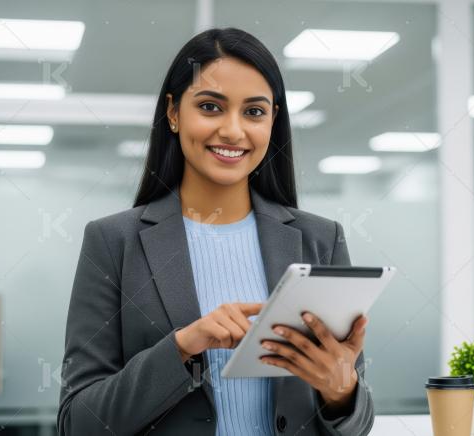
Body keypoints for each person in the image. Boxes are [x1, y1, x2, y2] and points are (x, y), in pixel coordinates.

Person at [57, 27, 374, 436]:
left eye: (254, 112)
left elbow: (357, 424)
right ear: (173, 113)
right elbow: (78, 423)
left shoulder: (321, 240)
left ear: (273, 121)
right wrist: (183, 347)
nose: (233, 131)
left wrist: (342, 390)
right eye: (210, 107)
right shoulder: (114, 243)